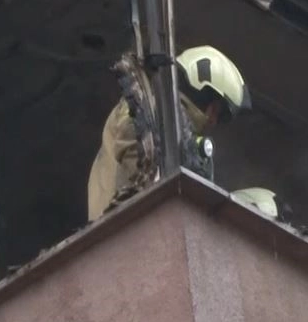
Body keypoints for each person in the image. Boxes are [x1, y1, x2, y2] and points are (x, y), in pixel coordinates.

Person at [87, 45, 250, 221]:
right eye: (215, 110)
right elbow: (139, 165)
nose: (213, 120)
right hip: (124, 227)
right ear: (203, 94)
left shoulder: (172, 125)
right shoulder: (145, 108)